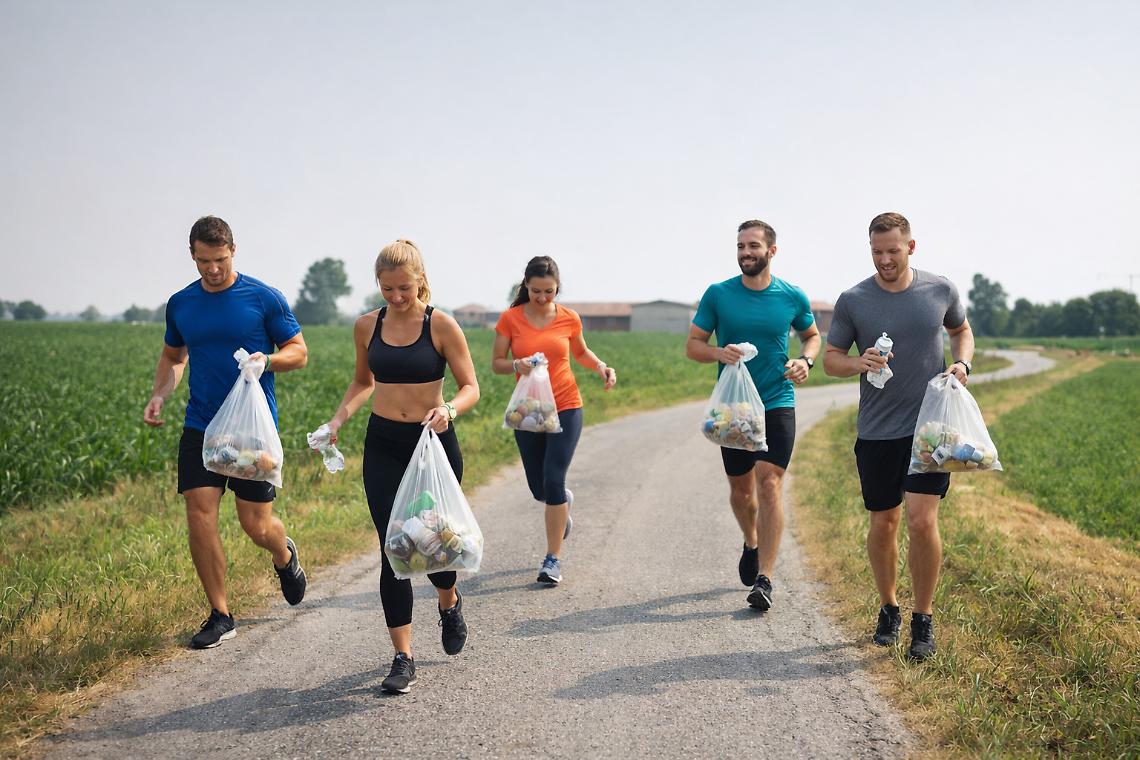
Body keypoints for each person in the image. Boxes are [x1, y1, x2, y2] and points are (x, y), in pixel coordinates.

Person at [143, 215, 309, 650]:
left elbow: (299, 352)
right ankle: (221, 613)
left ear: (233, 250)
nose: (212, 270)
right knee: (199, 514)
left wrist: (267, 361)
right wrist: (161, 394)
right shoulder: (181, 303)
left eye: (218, 260)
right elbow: (173, 356)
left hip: (251, 431)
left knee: (256, 525)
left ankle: (283, 553)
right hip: (201, 425)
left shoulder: (262, 297)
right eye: (203, 261)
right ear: (192, 256)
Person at [322, 239, 479, 695]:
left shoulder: (441, 325)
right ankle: (402, 656)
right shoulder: (366, 326)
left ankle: (449, 603)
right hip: (385, 444)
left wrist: (450, 409)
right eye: (387, 288)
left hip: (433, 444)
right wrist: (337, 420)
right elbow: (361, 382)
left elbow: (470, 386)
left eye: (404, 288)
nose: (395, 297)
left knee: (434, 544)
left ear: (420, 281)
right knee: (394, 548)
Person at [823, 211, 974, 661]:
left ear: (911, 247)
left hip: (930, 428)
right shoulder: (854, 300)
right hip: (877, 430)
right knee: (884, 522)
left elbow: (960, 330)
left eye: (892, 250)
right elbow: (831, 359)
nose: (885, 259)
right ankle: (889, 607)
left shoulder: (939, 289)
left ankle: (922, 620)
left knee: (922, 520)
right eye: (876, 251)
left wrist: (962, 364)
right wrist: (858, 362)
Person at [686, 220, 820, 611]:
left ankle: (765, 578)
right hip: (735, 409)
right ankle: (751, 540)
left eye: (754, 246)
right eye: (741, 246)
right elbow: (693, 345)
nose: (746, 252)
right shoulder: (718, 295)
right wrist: (718, 352)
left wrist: (806, 361)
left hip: (778, 400)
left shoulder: (791, 296)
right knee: (743, 492)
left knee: (769, 484)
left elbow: (812, 336)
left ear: (771, 251)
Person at [491, 256, 617, 585]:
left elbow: (581, 353)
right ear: (526, 287)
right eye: (536, 292)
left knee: (553, 478)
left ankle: (552, 559)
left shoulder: (569, 318)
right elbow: (496, 363)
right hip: (529, 408)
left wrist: (602, 366)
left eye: (550, 291)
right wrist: (518, 365)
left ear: (557, 288)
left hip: (566, 406)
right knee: (539, 488)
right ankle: (562, 505)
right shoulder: (510, 319)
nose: (544, 298)